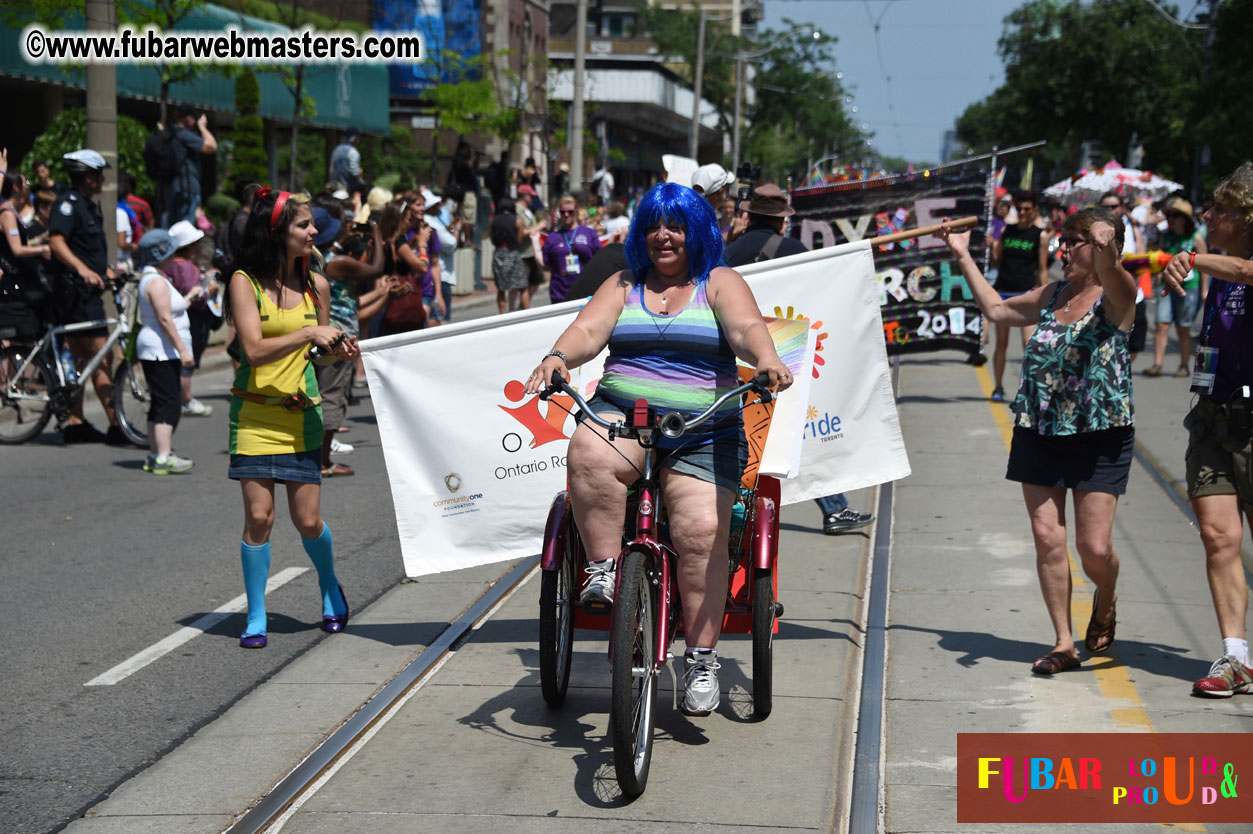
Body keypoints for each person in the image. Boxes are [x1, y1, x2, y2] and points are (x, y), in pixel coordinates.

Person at [522, 182, 794, 716]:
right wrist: (558, 357)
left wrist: (765, 358)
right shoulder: (624, 283)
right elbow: (587, 329)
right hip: (625, 418)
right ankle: (603, 571)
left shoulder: (719, 281)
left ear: (697, 232)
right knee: (588, 449)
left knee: (700, 533)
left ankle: (701, 659)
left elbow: (746, 328)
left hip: (704, 429)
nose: (663, 236)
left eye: (675, 226)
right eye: (653, 226)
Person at [941, 207, 1136, 676]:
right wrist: (962, 254)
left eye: (1074, 242)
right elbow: (996, 310)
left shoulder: (1117, 297)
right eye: (1062, 241)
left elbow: (1116, 279)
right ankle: (1064, 643)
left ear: (1101, 247)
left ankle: (1106, 594)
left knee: (1094, 548)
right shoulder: (1052, 295)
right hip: (1039, 430)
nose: (1061, 250)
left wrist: (1108, 250)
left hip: (1099, 436)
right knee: (1048, 537)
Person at [224, 186, 358, 648]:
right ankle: (256, 614)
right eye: (304, 224)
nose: (314, 231)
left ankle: (328, 584)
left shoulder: (316, 285)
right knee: (259, 518)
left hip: (302, 414)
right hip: (255, 415)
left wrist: (335, 350)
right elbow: (255, 351)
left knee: (307, 521)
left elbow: (317, 354)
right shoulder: (244, 282)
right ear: (278, 232)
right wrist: (308, 333)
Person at [725, 182, 873, 535]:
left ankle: (733, 508)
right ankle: (834, 509)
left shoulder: (727, 253)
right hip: (783, 350)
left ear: (749, 216)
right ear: (781, 220)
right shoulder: (794, 250)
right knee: (795, 431)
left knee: (739, 432)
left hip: (736, 351)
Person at [1159, 163, 1253, 697]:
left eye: (1221, 209)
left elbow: (1246, 271)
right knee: (1219, 537)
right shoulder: (1219, 268)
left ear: (1247, 218)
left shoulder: (1231, 266)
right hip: (1213, 417)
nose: (1209, 215)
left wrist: (1193, 258)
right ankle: (1235, 658)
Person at [48, 149, 128, 444]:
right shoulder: (67, 205)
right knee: (101, 356)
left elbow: (87, 250)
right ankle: (117, 425)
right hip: (76, 294)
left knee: (83, 360)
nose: (103, 180)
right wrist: (83, 270)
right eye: (99, 175)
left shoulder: (87, 206)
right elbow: (56, 242)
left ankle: (76, 422)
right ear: (87, 177)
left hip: (86, 292)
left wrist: (105, 271)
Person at [313, 205, 384, 477]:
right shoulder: (337, 262)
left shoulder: (318, 259)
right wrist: (376, 232)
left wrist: (341, 240)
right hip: (337, 337)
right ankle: (323, 461)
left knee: (326, 392)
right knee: (333, 395)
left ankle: (319, 457)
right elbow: (376, 269)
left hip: (329, 332)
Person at [134, 229, 196, 474]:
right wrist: (183, 350)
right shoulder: (157, 281)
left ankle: (155, 454)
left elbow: (169, 311)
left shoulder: (153, 278)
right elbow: (164, 318)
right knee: (169, 403)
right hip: (160, 349)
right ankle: (163, 456)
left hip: (156, 348)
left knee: (159, 402)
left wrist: (190, 297)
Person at [987, 190, 1050, 402]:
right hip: (1004, 292)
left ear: (1034, 211)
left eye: (1027, 209)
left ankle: (1030, 390)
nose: (1022, 212)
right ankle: (998, 387)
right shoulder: (1007, 231)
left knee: (1029, 344)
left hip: (1026, 294)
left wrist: (1048, 298)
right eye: (1020, 208)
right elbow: (997, 263)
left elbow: (1042, 269)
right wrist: (994, 247)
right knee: (1001, 343)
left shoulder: (1040, 236)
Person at [1143, 198, 1208, 379]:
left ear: (1185, 218)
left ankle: (1184, 365)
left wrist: (1204, 290)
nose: (1171, 219)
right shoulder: (1165, 236)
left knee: (1183, 327)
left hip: (1189, 288)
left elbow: (1205, 265)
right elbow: (1159, 257)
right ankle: (1157, 364)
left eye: (1175, 215)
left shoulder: (1195, 237)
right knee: (1161, 324)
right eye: (1169, 215)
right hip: (1167, 286)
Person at [165, 219, 217, 416]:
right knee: (188, 360)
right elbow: (193, 293)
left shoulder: (171, 265)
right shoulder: (184, 267)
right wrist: (209, 290)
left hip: (182, 317)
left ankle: (179, 397)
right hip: (192, 318)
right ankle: (185, 400)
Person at [0, 165, 52, 341]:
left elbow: (19, 244)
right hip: (13, 283)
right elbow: (16, 249)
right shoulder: (7, 214)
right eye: (25, 182)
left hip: (20, 281)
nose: (28, 186)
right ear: (16, 188)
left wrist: (40, 239)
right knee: (20, 337)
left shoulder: (11, 212)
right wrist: (43, 249)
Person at [542, 194, 601, 304]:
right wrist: (536, 244)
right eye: (562, 212)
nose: (566, 215)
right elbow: (545, 263)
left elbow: (600, 258)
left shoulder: (589, 233)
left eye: (570, 212)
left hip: (586, 291)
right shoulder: (552, 237)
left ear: (576, 212)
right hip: (560, 293)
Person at [164, 107, 218, 226]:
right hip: (187, 189)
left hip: (171, 188)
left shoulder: (169, 133)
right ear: (188, 118)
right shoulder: (183, 134)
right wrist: (203, 127)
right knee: (186, 230)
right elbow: (212, 146)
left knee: (173, 227)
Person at [491, 200, 528, 313]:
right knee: (522, 286)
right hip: (513, 253)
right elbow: (519, 240)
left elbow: (492, 239)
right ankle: (528, 313)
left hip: (499, 253)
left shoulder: (492, 220)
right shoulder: (518, 221)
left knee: (501, 288)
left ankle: (502, 314)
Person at [329, 127, 364, 194]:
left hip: (333, 185)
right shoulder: (353, 152)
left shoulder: (337, 148)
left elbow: (331, 168)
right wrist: (359, 171)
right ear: (355, 138)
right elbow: (354, 173)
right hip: (345, 188)